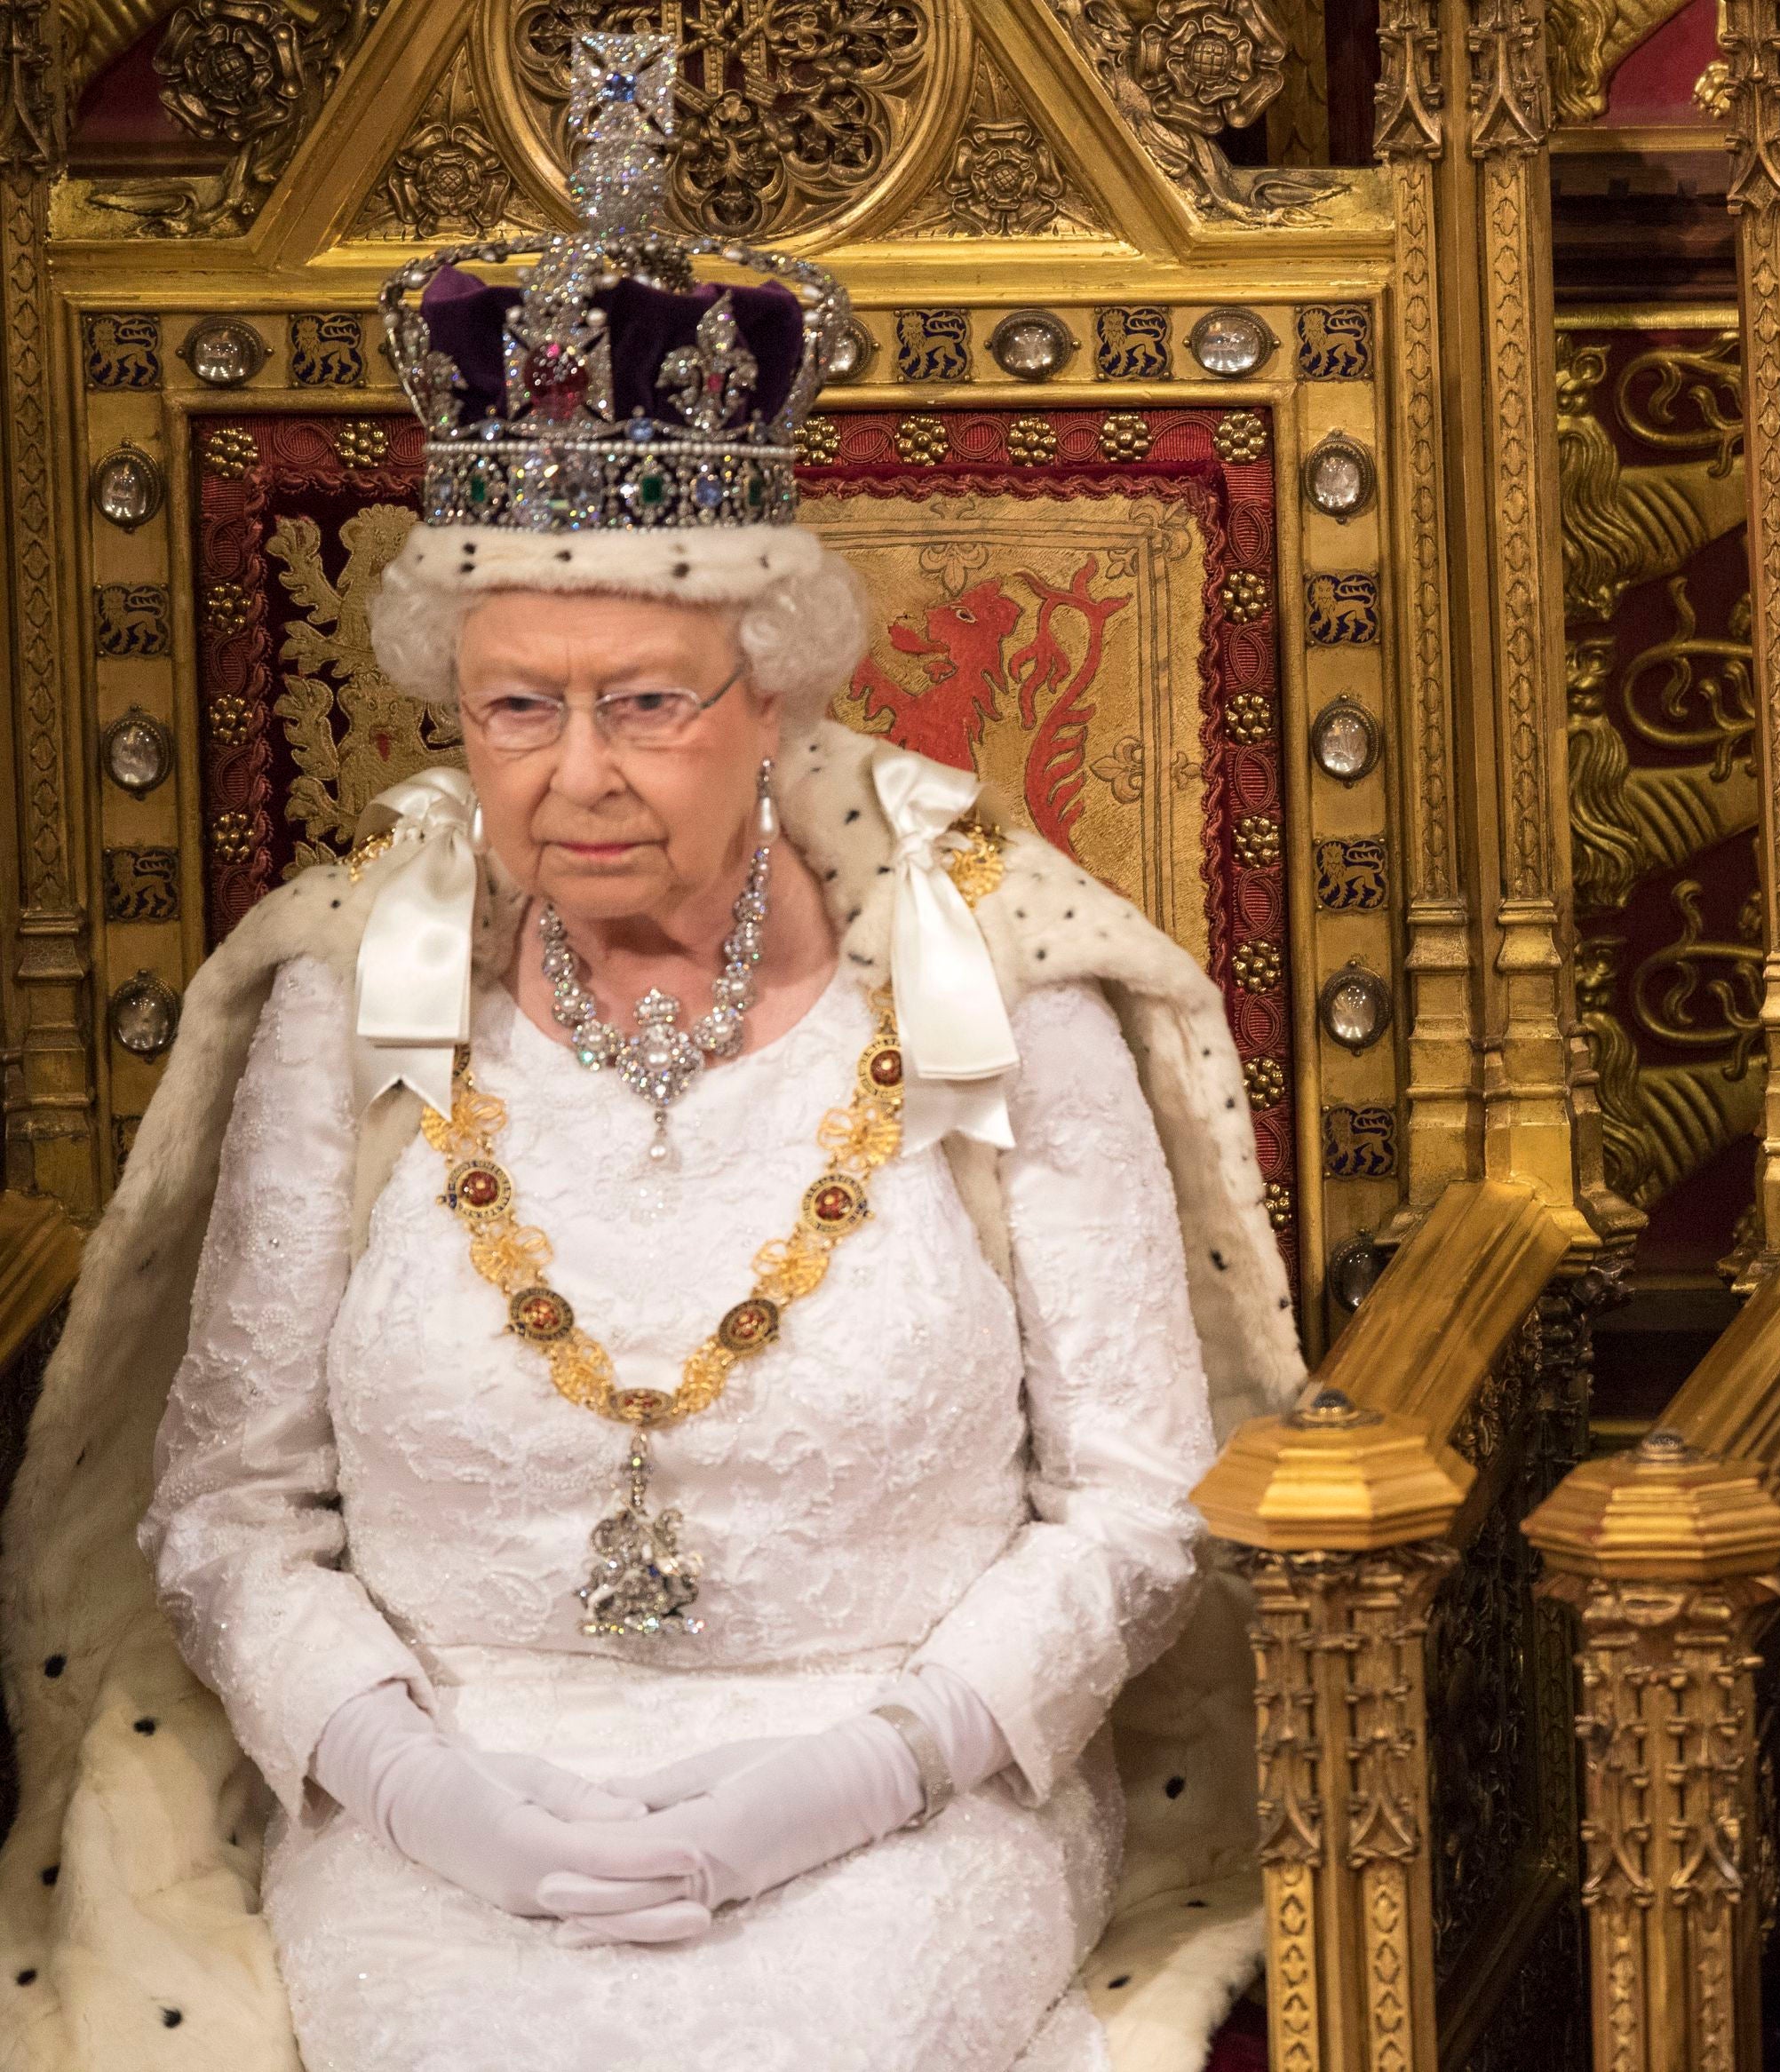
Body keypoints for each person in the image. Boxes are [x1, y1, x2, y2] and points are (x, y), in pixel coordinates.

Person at [0, 34, 1298, 2071]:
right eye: (520, 709)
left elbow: (1142, 1506)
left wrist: (867, 1771)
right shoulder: (351, 1005)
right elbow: (227, 1510)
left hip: (904, 1808)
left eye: (650, 705)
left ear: (772, 700)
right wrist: (417, 1788)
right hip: (440, 1819)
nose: (578, 775)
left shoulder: (999, 994)